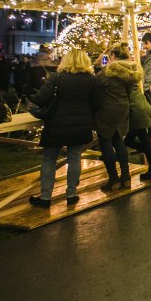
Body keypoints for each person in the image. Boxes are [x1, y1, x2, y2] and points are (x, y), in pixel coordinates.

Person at [29, 49, 101, 208]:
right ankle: (71, 194)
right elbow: (96, 103)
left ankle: (46, 197)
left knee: (49, 160)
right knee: (74, 158)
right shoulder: (91, 80)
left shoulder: (57, 78)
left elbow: (41, 98)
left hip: (56, 124)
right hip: (80, 126)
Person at [95, 44, 139, 191]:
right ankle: (125, 177)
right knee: (118, 140)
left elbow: (97, 86)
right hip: (123, 107)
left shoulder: (107, 72)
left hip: (108, 109)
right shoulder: (128, 71)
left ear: (113, 56)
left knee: (105, 140)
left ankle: (113, 178)